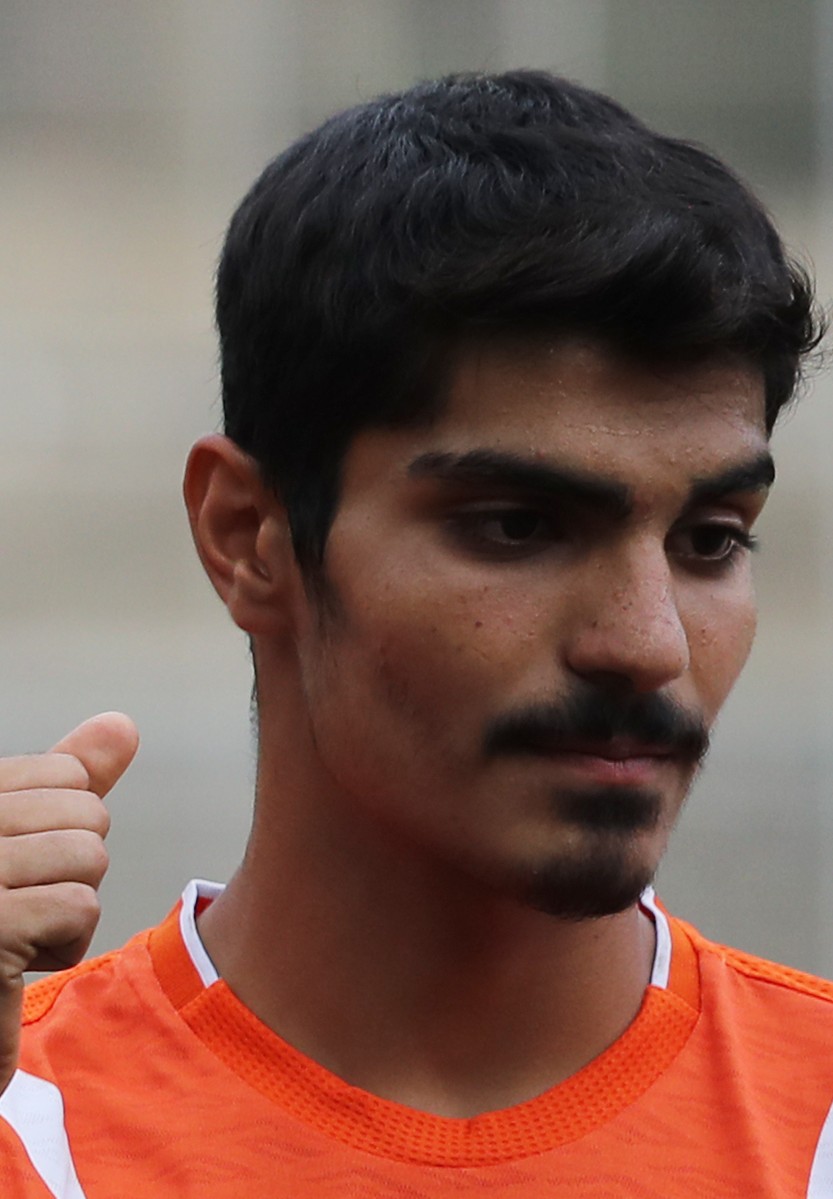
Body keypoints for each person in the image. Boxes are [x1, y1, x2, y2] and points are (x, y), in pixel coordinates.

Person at [0, 68, 829, 1197]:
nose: (648, 645)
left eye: (710, 539)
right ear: (248, 537)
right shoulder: (28, 1126)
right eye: (518, 525)